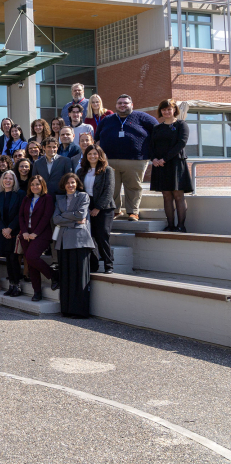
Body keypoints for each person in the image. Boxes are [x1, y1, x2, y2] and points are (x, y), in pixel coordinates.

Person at [94, 94, 158, 221]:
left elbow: (158, 131)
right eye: (120, 103)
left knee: (133, 187)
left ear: (131, 105)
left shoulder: (142, 117)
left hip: (135, 160)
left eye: (126, 103)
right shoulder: (107, 120)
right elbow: (97, 139)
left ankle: (133, 212)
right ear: (116, 106)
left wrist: (153, 153)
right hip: (110, 160)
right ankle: (115, 211)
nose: (122, 105)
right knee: (112, 188)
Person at [52, 173, 96, 318]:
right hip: (64, 241)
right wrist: (73, 221)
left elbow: (81, 215)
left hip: (80, 241)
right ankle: (67, 309)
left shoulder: (83, 196)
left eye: (73, 182)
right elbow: (56, 219)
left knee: (79, 277)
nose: (70, 185)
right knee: (66, 277)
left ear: (77, 183)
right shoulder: (59, 200)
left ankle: (80, 311)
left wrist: (66, 216)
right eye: (67, 183)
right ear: (63, 185)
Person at [147, 98, 193, 232]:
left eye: (169, 109)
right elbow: (151, 146)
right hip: (160, 166)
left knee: (178, 195)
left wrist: (164, 159)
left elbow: (181, 143)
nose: (166, 112)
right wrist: (154, 158)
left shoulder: (181, 125)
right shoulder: (157, 128)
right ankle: (171, 225)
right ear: (160, 111)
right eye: (164, 109)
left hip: (176, 164)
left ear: (174, 110)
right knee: (166, 195)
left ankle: (181, 226)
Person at [19, 175, 56, 302]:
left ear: (42, 185)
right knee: (31, 263)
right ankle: (37, 291)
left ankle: (53, 275)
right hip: (26, 235)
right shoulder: (26, 199)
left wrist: (35, 233)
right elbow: (21, 217)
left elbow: (46, 217)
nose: (35, 187)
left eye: (37, 184)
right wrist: (24, 231)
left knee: (31, 257)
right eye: (32, 184)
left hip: (41, 234)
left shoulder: (47, 199)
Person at [79, 145, 116, 274]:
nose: (92, 156)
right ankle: (94, 265)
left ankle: (108, 264)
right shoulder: (82, 171)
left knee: (102, 235)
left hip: (104, 208)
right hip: (87, 206)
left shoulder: (108, 170)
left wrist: (98, 208)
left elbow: (109, 191)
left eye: (95, 154)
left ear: (100, 155)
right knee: (90, 237)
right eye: (89, 154)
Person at [0, 171, 24, 297]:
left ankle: (17, 285)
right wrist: (3, 229)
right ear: (2, 180)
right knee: (7, 258)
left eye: (10, 179)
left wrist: (10, 228)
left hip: (15, 231)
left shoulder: (20, 194)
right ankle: (11, 285)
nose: (7, 180)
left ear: (14, 181)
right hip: (3, 231)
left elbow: (20, 213)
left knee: (14, 258)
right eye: (5, 178)